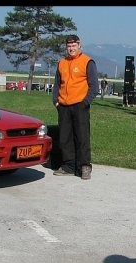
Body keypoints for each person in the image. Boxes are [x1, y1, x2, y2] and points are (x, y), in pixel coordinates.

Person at [52, 34, 98, 180]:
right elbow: (57, 84)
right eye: (69, 46)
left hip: (80, 105)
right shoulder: (61, 63)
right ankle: (68, 166)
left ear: (79, 45)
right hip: (64, 105)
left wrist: (86, 102)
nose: (71, 48)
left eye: (74, 46)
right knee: (65, 138)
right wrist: (56, 101)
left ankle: (84, 167)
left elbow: (94, 86)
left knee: (82, 137)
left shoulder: (87, 62)